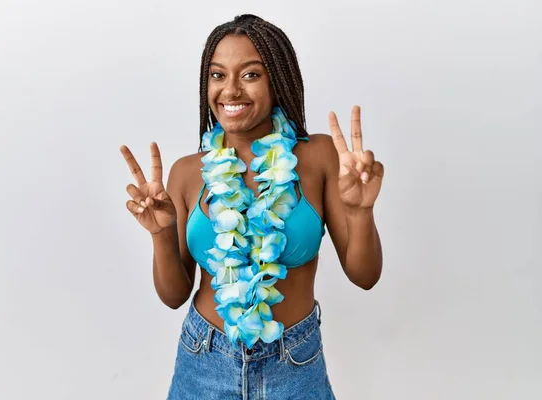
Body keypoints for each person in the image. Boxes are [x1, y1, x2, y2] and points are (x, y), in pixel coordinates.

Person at [120, 14, 384, 400]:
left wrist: (361, 213)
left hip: (295, 365)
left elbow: (365, 276)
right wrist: (160, 234)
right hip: (203, 361)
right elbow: (174, 295)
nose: (230, 90)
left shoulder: (320, 156)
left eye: (250, 74)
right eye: (217, 75)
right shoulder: (186, 173)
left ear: (278, 79)